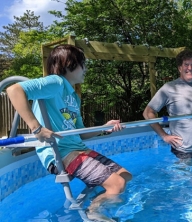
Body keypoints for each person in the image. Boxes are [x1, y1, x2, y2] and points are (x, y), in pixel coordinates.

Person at [6, 44, 132, 221]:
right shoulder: (56, 82)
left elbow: (80, 133)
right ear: (69, 64)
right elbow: (14, 90)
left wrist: (104, 128)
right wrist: (37, 128)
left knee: (125, 176)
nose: (85, 69)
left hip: (78, 148)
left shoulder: (73, 97)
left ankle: (99, 200)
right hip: (62, 153)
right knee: (117, 184)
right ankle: (94, 213)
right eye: (83, 64)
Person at [142, 49, 192, 163]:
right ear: (180, 68)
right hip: (182, 149)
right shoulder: (169, 88)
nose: (190, 68)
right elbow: (148, 112)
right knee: (184, 180)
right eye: (186, 65)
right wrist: (164, 136)